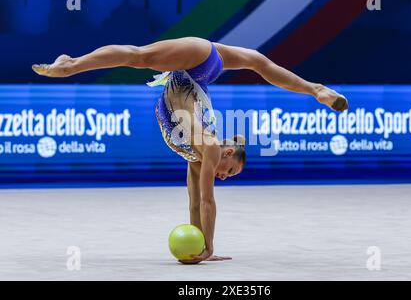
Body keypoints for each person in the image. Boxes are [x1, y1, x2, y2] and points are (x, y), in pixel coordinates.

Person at [32, 36, 348, 263]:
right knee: (139, 56)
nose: (226, 177)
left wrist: (202, 247)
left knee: (256, 61)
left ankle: (316, 90)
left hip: (202, 69)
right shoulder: (209, 148)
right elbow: (209, 201)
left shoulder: (196, 154)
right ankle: (70, 65)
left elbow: (195, 202)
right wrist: (209, 244)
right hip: (197, 62)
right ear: (227, 153)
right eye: (232, 171)